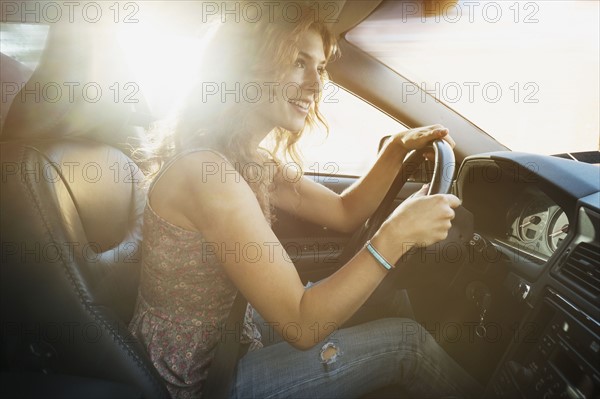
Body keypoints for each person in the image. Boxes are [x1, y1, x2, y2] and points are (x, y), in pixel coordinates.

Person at [129, 3, 482, 398]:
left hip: (230, 336)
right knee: (408, 345)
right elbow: (301, 323)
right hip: (202, 381)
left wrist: (397, 148)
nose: (316, 85)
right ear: (245, 65)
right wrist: (396, 235)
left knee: (390, 299)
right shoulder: (208, 176)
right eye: (299, 62)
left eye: (320, 67)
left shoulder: (243, 158)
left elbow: (343, 212)